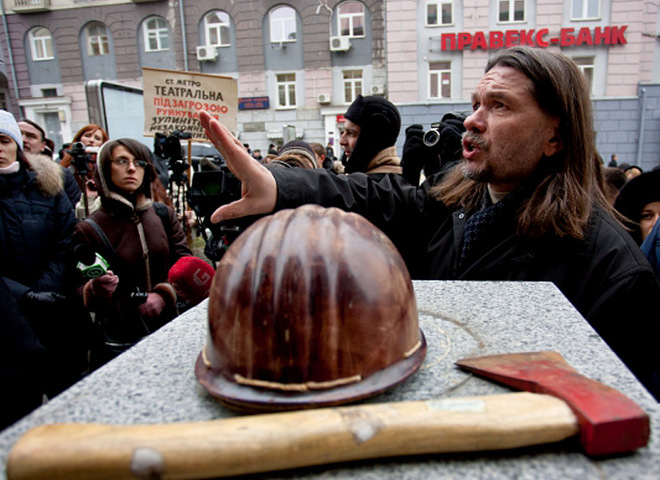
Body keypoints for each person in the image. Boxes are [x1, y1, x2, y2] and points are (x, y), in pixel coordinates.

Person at [197, 46, 660, 401]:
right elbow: (377, 197)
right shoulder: (450, 197)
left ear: (556, 136)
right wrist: (279, 187)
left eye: (499, 106)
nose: (473, 121)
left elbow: (614, 411)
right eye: (476, 102)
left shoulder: (612, 270)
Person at [71, 138, 192, 368]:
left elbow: (184, 264)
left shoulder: (162, 214)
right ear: (105, 169)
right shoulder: (88, 228)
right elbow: (74, 288)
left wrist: (164, 294)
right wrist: (94, 290)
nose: (131, 168)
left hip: (168, 329)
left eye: (139, 162)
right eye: (121, 161)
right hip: (120, 341)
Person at [0, 110, 90, 400]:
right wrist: (22, 296)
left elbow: (66, 240)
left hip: (55, 309)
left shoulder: (48, 187)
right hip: (5, 322)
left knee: (68, 395)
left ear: (16, 145)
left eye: (3, 140)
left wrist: (43, 290)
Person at [18, 118, 82, 207]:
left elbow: (74, 210)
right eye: (18, 133)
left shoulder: (62, 175)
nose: (23, 139)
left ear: (43, 146)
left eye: (31, 136)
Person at [339, 94, 402, 177]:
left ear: (372, 139)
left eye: (351, 133)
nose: (342, 141)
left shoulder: (375, 184)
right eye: (343, 132)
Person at [60, 124, 110, 218]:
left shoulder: (104, 171)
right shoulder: (65, 170)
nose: (91, 140)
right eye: (87, 136)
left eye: (97, 138)